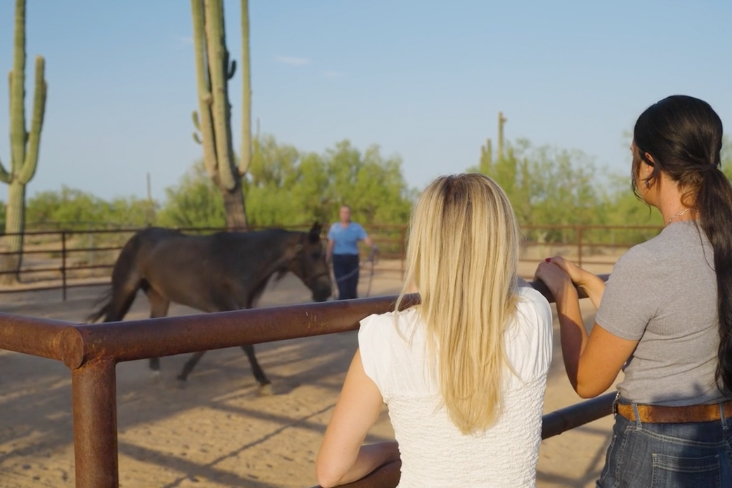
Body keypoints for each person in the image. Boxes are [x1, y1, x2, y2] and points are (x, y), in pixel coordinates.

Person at [534, 95, 732, 487]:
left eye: (634, 154)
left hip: (656, 451)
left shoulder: (650, 261)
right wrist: (595, 284)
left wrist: (566, 296)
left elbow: (589, 381)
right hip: (720, 439)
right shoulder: (720, 242)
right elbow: (667, 328)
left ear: (650, 164)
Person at [316, 174, 553, 487]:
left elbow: (333, 471)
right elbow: (510, 285)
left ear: (422, 241)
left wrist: (394, 451)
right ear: (502, 238)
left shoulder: (386, 339)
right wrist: (558, 282)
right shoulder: (534, 312)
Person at [326, 205, 377, 300]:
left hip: (352, 259)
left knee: (352, 288)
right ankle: (342, 310)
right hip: (338, 259)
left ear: (350, 214)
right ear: (340, 214)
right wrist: (327, 259)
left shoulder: (356, 227)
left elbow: (366, 239)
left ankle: (354, 310)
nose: (345, 215)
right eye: (343, 212)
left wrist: (373, 247)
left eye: (347, 212)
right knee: (342, 288)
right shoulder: (334, 228)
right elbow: (330, 245)